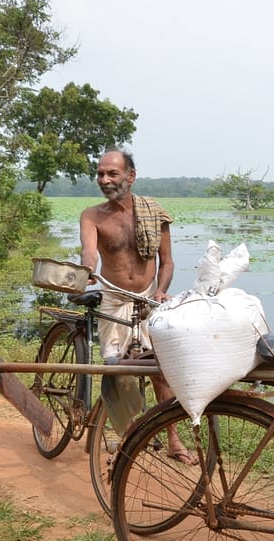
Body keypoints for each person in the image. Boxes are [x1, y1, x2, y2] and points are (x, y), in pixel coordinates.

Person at [79, 148, 195, 463]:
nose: (104, 180)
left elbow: (167, 262)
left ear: (131, 176)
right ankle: (128, 435)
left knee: (160, 370)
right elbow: (89, 253)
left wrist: (161, 290)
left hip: (148, 297)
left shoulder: (154, 213)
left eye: (112, 173)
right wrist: (87, 270)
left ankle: (173, 439)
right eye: (101, 173)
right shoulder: (93, 216)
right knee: (119, 369)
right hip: (114, 297)